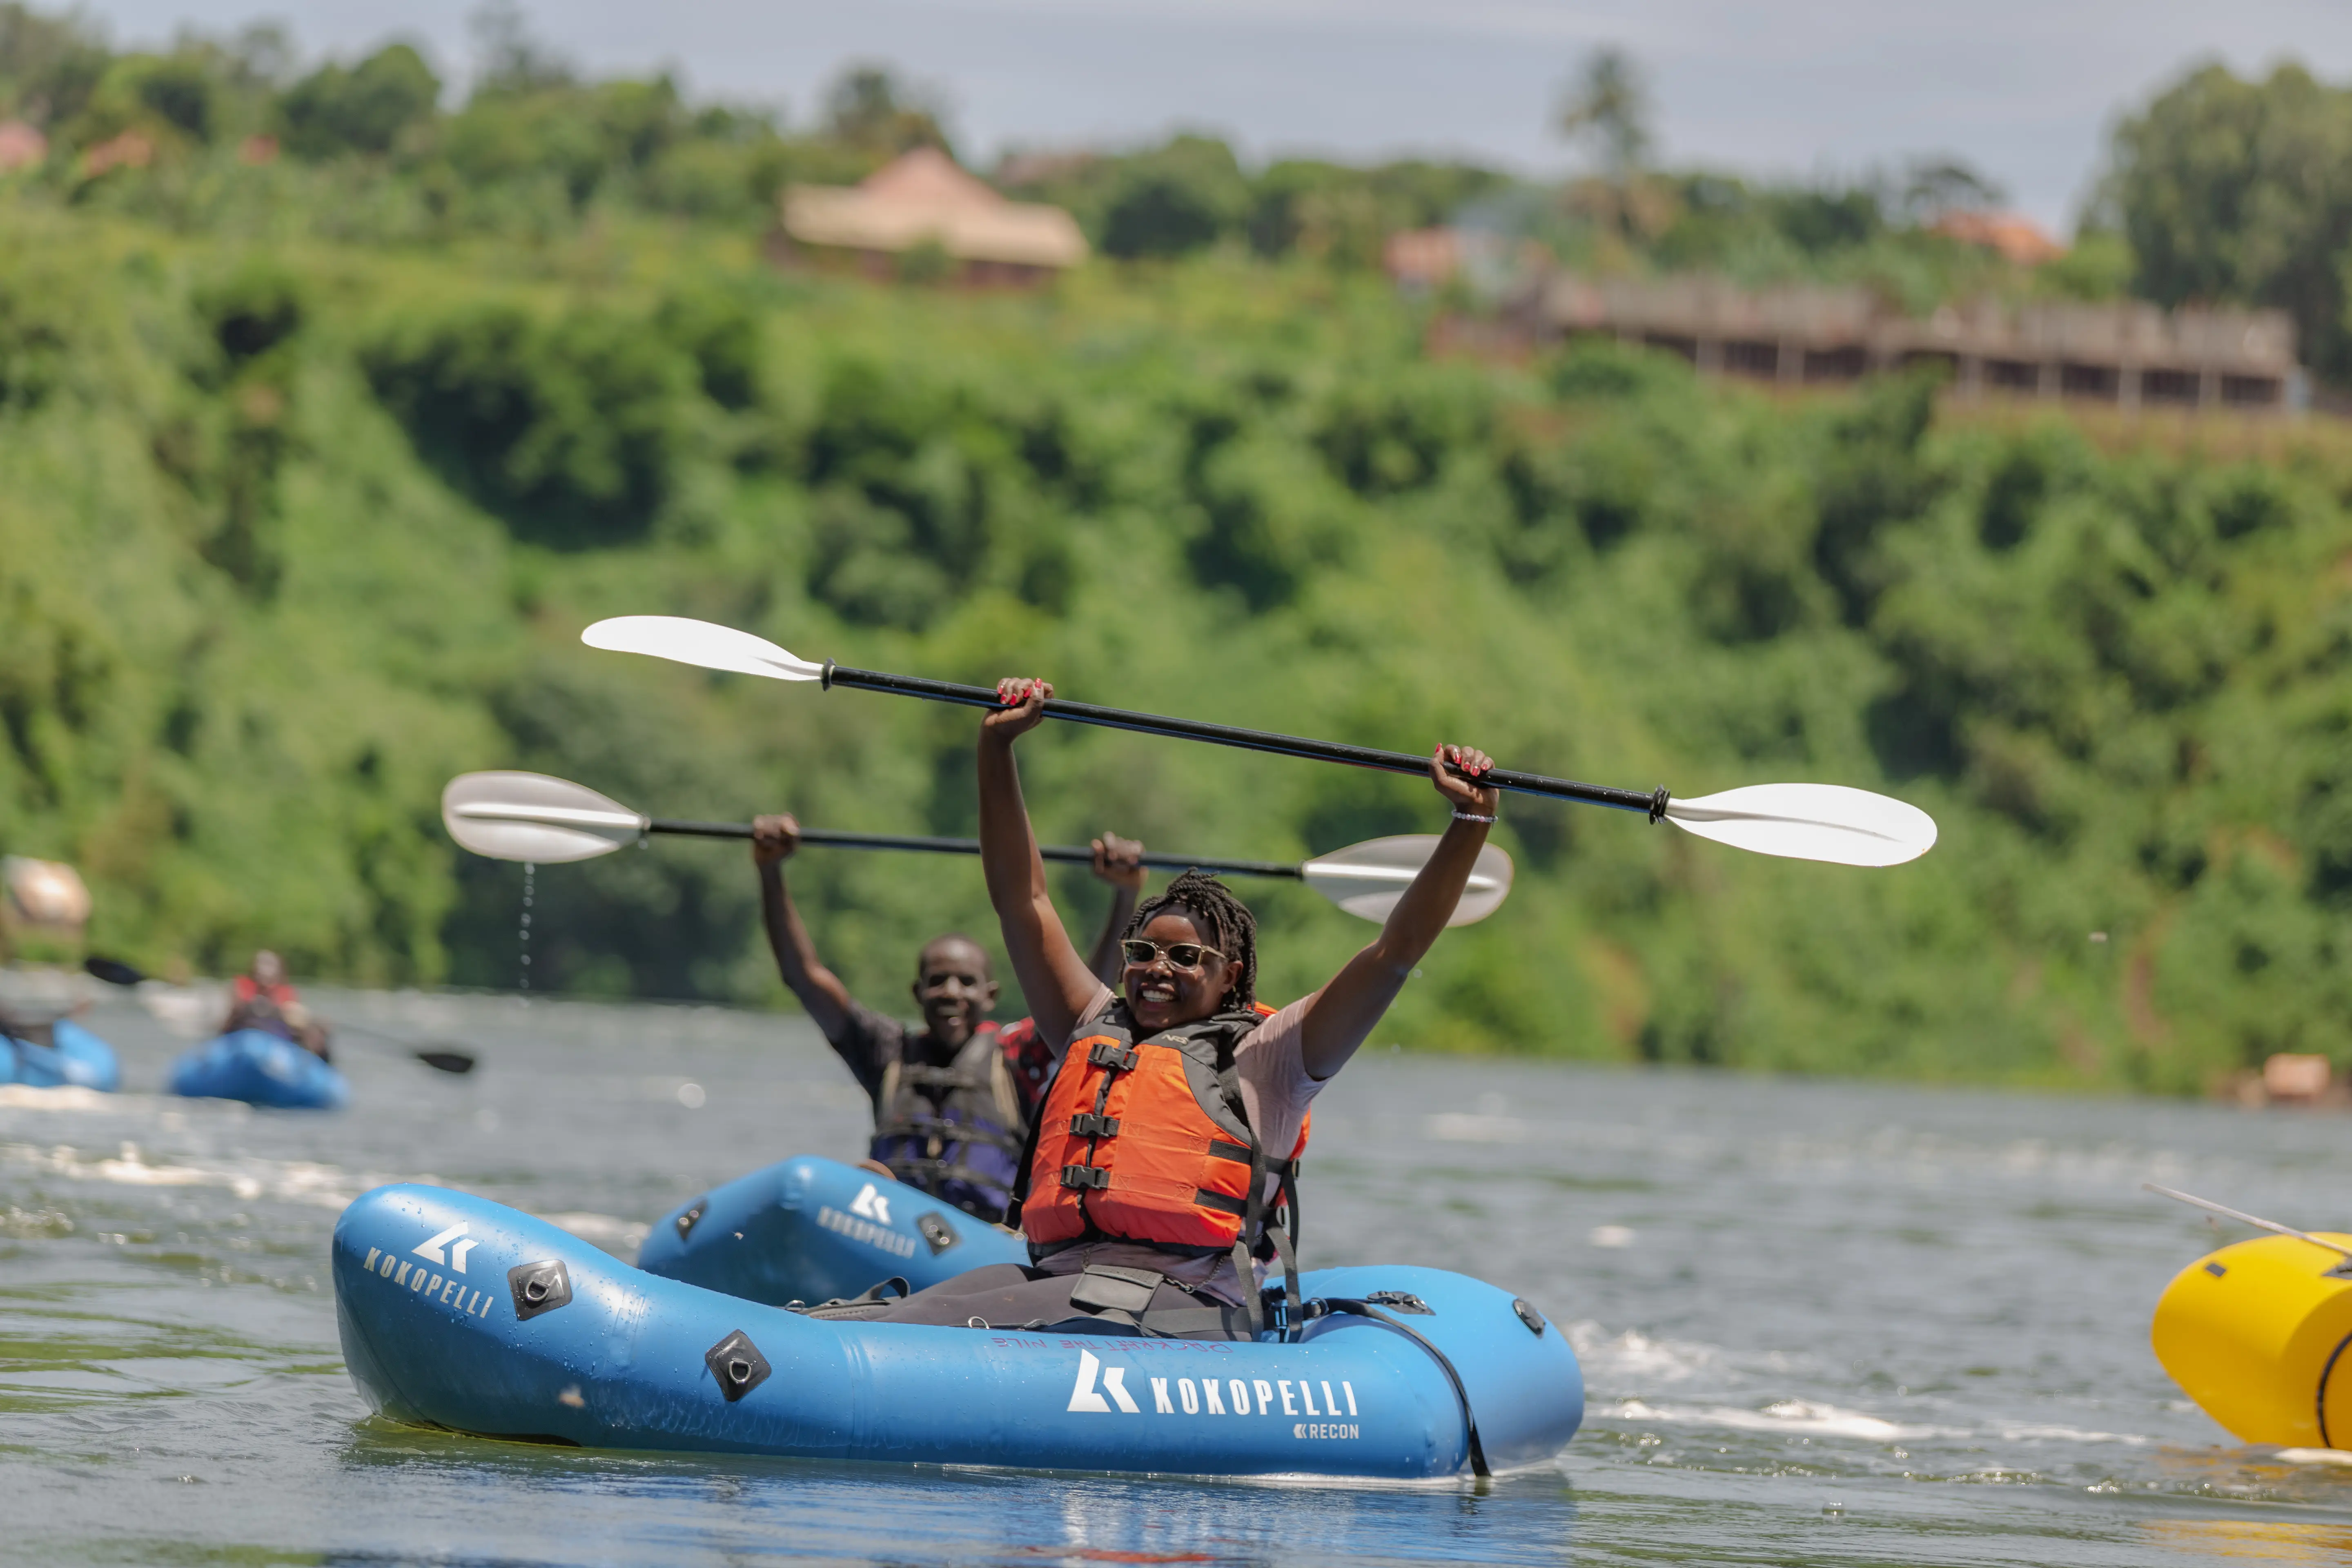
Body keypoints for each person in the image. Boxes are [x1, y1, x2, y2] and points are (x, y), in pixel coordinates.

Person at [808, 677, 1499, 1339]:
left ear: (1230, 975)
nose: (1156, 970)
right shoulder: (1092, 1026)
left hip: (1186, 1306)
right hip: (1065, 1280)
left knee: (923, 1325)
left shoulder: (1273, 1056)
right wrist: (997, 748)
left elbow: (1394, 954)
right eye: (1142, 952)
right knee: (880, 1311)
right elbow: (1023, 901)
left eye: (1184, 957)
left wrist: (1469, 820)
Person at [752, 813, 1149, 1225]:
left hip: (983, 1240)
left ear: (990, 996)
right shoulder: (885, 1051)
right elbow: (804, 977)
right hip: (889, 1230)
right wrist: (770, 869)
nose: (951, 993)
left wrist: (1124, 896)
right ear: (917, 993)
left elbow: (1084, 996)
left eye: (966, 982)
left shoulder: (1017, 1056)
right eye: (938, 981)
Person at [223, 949, 332, 1061]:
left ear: (278, 970)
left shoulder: (285, 994)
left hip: (277, 1043)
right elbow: (232, 1011)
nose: (263, 969)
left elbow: (297, 1016)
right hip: (242, 1041)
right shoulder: (243, 986)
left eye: (269, 965)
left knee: (316, 1030)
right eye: (261, 964)